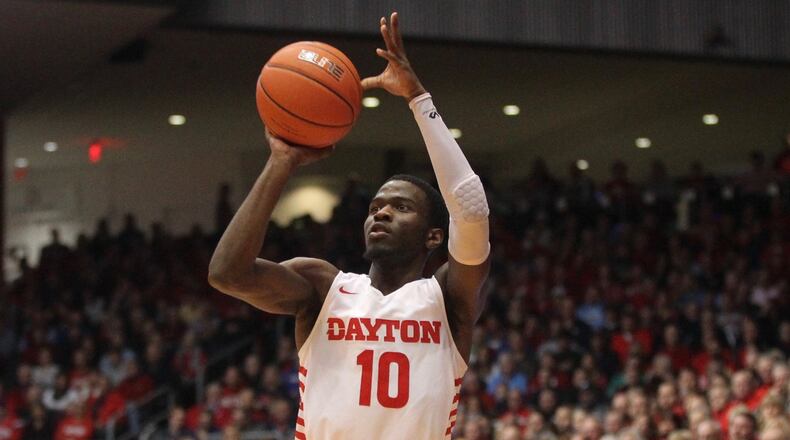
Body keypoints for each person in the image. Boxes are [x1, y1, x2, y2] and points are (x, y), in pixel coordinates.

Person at [209, 12, 490, 439]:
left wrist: (418, 99)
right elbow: (227, 274)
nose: (382, 213)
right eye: (375, 206)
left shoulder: (448, 300)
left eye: (400, 207)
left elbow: (470, 209)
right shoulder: (323, 288)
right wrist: (281, 162)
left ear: (434, 235)